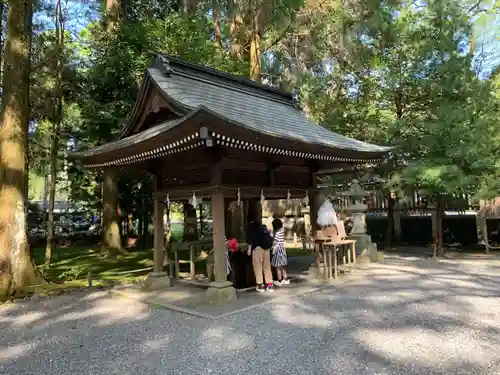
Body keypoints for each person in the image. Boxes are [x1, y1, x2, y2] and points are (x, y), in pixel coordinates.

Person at [247, 215, 274, 292]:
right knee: (267, 266)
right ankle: (269, 284)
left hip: (257, 249)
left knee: (257, 266)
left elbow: (251, 239)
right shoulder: (262, 227)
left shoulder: (251, 227)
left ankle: (260, 285)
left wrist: (249, 249)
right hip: (267, 249)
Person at [271, 218, 289, 286]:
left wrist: (272, 244)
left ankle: (279, 280)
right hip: (282, 249)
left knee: (277, 266)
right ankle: (286, 279)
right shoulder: (281, 232)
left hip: (277, 250)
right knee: (282, 266)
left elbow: (275, 242)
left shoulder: (277, 234)